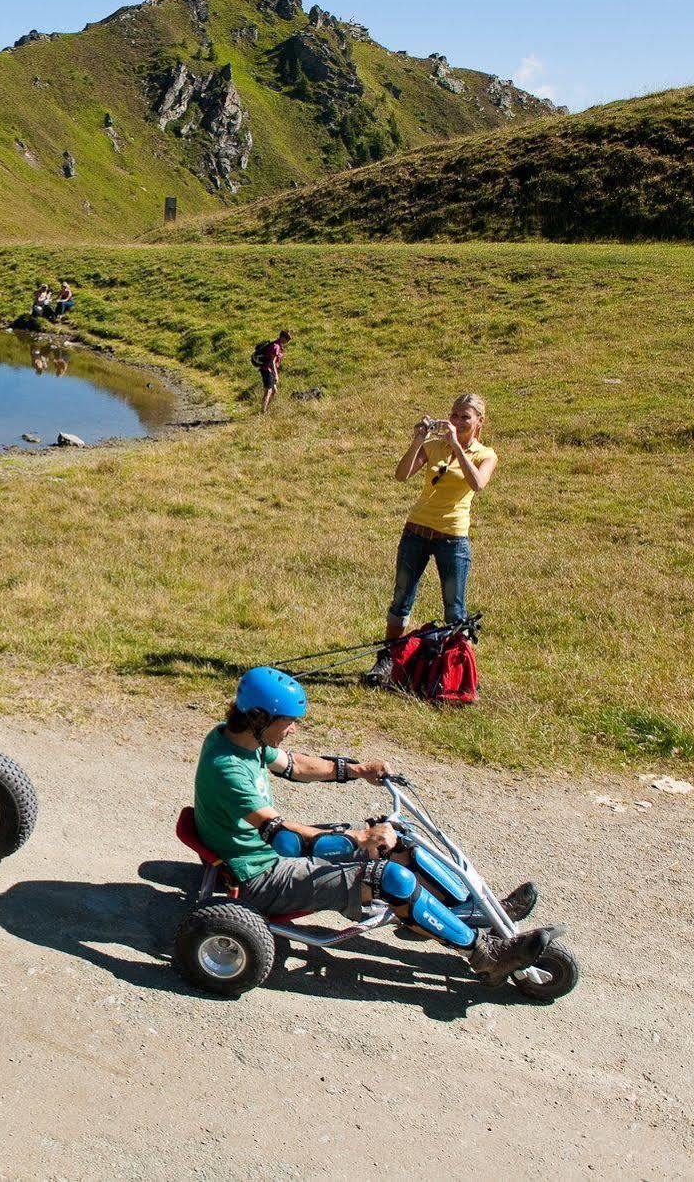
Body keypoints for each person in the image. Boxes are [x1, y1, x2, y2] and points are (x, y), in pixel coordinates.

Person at [194, 666, 553, 980]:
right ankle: (486, 957)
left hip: (271, 851)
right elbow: (284, 836)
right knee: (392, 878)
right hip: (260, 874)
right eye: (287, 722)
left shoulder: (241, 738)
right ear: (260, 719)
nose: (292, 730)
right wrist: (360, 837)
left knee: (399, 842)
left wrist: (358, 770)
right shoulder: (229, 769)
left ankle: (473, 911)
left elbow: (296, 765)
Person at [367, 392, 498, 686]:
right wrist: (417, 441)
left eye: (465, 417)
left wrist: (457, 447)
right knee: (402, 598)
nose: (457, 421)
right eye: (454, 415)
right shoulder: (434, 446)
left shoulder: (485, 454)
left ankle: (456, 673)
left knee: (455, 608)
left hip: (452, 537)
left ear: (479, 422)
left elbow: (478, 484)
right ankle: (386, 661)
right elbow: (401, 475)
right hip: (416, 530)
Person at [251, 330, 291, 413]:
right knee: (268, 390)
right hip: (267, 370)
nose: (288, 341)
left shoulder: (278, 346)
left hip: (270, 370)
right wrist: (276, 374)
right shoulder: (275, 347)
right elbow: (272, 362)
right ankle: (262, 411)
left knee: (274, 390)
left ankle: (265, 409)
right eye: (287, 339)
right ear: (283, 337)